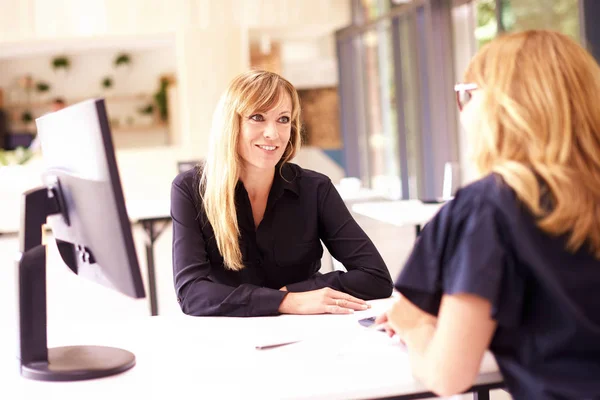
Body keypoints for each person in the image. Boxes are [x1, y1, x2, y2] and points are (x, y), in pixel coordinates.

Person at [377, 30, 600, 399]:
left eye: (468, 93)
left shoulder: (490, 207)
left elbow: (449, 377)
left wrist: (412, 325)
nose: (463, 109)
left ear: (501, 106)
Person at [171, 70, 393, 317]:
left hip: (304, 334)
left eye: (283, 119)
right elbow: (191, 293)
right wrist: (286, 300)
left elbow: (375, 277)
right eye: (257, 117)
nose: (273, 133)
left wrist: (299, 290)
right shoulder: (191, 189)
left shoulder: (315, 189)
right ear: (231, 125)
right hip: (231, 335)